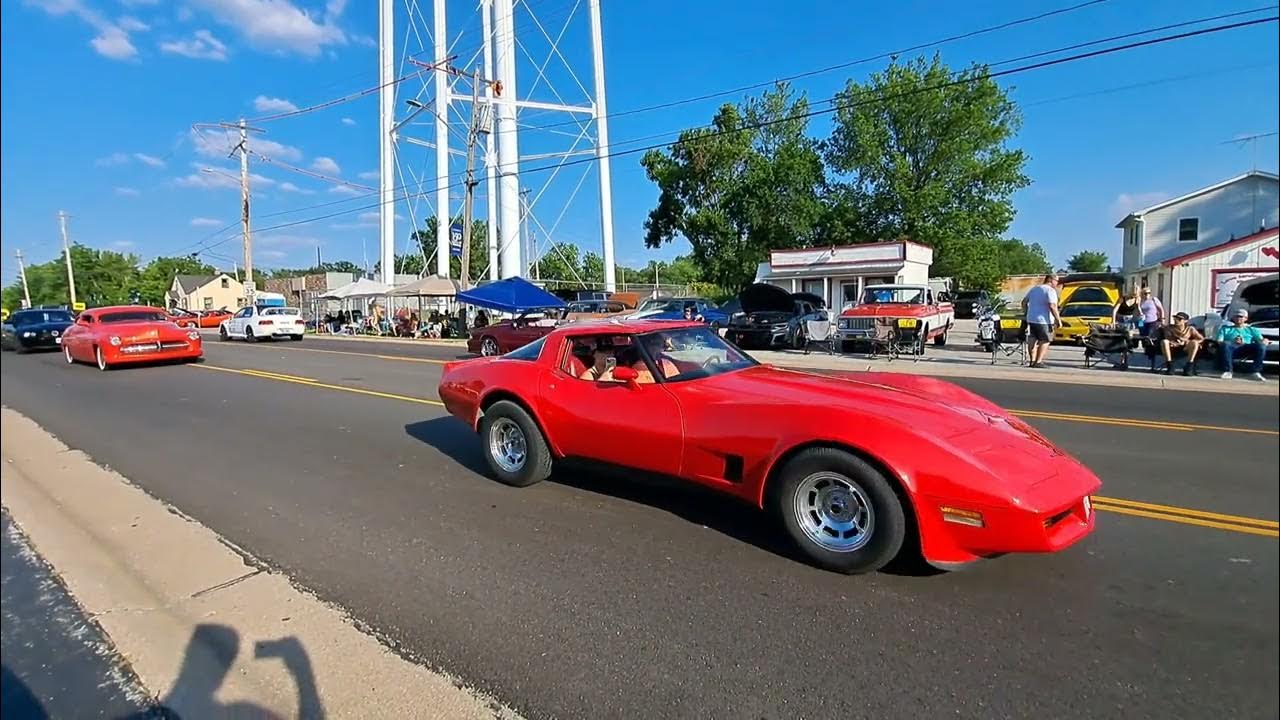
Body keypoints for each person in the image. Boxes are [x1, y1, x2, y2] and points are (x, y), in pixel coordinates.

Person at [1216, 308, 1269, 381]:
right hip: (1231, 349)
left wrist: (1264, 340)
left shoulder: (1252, 329)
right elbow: (1219, 341)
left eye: (1241, 316)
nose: (1238, 318)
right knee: (1226, 344)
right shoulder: (1225, 329)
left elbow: (1261, 339)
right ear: (1233, 318)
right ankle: (1228, 371)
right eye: (1236, 316)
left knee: (1261, 346)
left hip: (1246, 348)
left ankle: (1255, 372)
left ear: (1246, 318)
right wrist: (1232, 341)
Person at [1021, 274, 1061, 368]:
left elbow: (1024, 302)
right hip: (1044, 320)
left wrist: (1026, 312)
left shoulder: (1034, 289)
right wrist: (1058, 319)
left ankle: (1032, 360)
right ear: (1050, 280)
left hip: (1031, 319)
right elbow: (1052, 306)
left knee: (1032, 340)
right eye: (1056, 281)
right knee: (1045, 340)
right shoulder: (1050, 290)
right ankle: (1038, 362)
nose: (1057, 283)